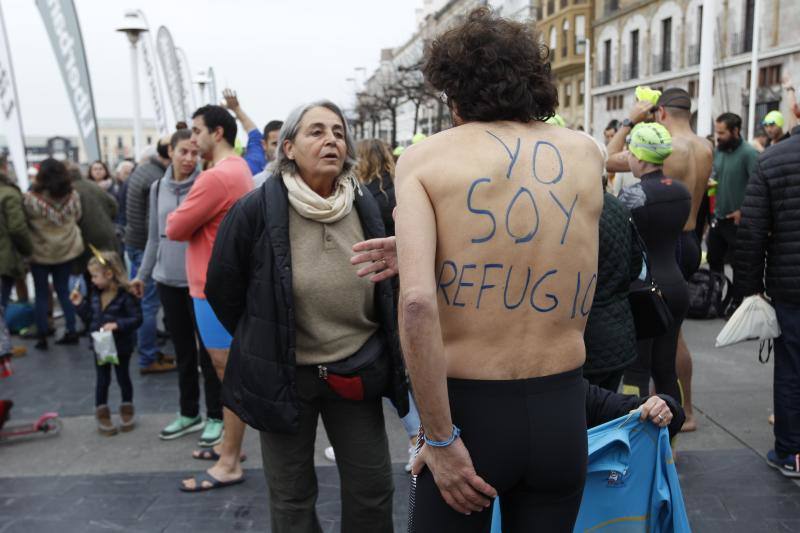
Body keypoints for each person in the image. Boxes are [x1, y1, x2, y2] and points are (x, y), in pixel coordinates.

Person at [393, 9, 602, 531]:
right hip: (561, 410)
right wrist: (415, 244)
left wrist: (439, 439)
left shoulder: (424, 160)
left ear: (453, 91)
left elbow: (417, 303)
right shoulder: (585, 154)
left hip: (471, 412)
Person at [205, 100, 408, 530]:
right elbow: (224, 290)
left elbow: (388, 282)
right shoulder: (255, 210)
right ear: (290, 148)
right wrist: (266, 336)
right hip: (285, 375)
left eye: (337, 131)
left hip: (356, 368)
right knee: (292, 497)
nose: (331, 139)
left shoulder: (365, 205)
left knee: (373, 488)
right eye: (316, 131)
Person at [165, 104, 253, 492]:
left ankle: (230, 460)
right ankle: (227, 445)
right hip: (224, 284)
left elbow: (175, 226)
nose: (192, 137)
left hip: (211, 287)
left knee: (227, 373)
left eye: (197, 130)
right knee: (228, 371)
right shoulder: (238, 169)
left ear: (217, 133)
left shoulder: (216, 177)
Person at [131, 129, 224, 447]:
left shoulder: (206, 183)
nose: (189, 158)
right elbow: (154, 236)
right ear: (169, 151)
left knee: (209, 355)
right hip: (167, 280)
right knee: (183, 352)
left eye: (194, 153)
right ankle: (189, 413)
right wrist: (142, 275)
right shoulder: (157, 187)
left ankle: (216, 416)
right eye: (183, 151)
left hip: (198, 284)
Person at [735, 120, 800, 477]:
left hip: (790, 287)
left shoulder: (773, 159)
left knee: (791, 370)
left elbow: (753, 230)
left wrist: (750, 288)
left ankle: (791, 452)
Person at [619, 123, 691, 412]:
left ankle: (635, 446)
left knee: (637, 370)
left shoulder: (632, 197)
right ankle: (670, 444)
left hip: (643, 291)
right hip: (676, 284)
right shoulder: (681, 192)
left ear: (640, 156)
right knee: (665, 370)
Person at [583, 147, 643, 392]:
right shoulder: (618, 207)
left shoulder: (571, 209)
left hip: (587, 336)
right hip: (619, 331)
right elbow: (635, 265)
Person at [70, 251, 142, 435]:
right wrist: (79, 305)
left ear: (109, 274)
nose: (92, 280)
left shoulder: (126, 295)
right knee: (102, 380)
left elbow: (137, 318)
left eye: (95, 276)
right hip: (101, 345)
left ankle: (127, 409)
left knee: (123, 377)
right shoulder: (95, 294)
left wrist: (118, 325)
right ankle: (102, 411)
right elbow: (89, 317)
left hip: (121, 345)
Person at [125, 137, 175, 374]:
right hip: (145, 246)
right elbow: (153, 223)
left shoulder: (142, 169)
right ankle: (147, 357)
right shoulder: (157, 178)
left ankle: (149, 351)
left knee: (145, 302)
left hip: (134, 242)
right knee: (148, 305)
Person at [23, 158, 84, 350]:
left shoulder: (31, 198)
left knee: (41, 294)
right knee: (63, 292)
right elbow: (78, 216)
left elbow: (25, 222)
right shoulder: (72, 196)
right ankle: (71, 330)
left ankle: (42, 335)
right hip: (65, 250)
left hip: (40, 251)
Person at [708, 112, 759, 313]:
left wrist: (742, 211)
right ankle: (715, 299)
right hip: (718, 218)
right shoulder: (719, 151)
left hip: (739, 221)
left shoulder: (749, 153)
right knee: (713, 259)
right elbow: (716, 176)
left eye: (721, 132)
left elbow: (758, 186)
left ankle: (737, 304)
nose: (717, 136)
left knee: (739, 265)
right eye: (716, 131)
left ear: (736, 131)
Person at [0, 155, 33, 309]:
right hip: (4, 257)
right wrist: (28, 250)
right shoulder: (8, 193)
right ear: (5, 167)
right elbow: (17, 228)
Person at [222, 88, 266, 176]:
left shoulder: (210, 175)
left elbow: (256, 136)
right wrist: (236, 109)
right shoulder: (251, 166)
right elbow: (255, 135)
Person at [252, 120, 284, 188]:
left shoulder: (305, 177)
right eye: (275, 144)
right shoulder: (256, 183)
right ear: (264, 145)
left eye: (284, 144)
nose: (280, 149)